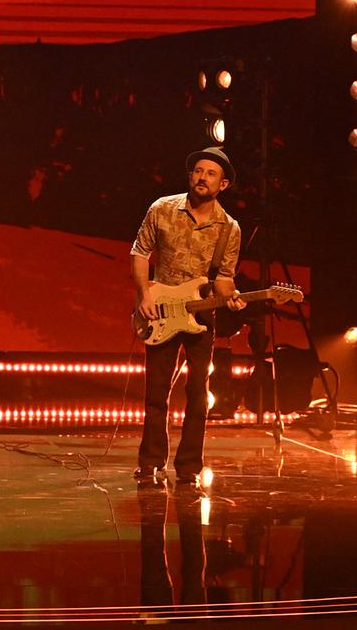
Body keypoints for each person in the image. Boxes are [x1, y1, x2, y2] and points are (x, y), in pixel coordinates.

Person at [131, 146, 245, 485]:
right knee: (156, 393)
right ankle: (151, 462)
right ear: (190, 175)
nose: (202, 177)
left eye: (211, 174)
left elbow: (223, 279)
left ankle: (189, 468)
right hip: (161, 312)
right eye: (198, 171)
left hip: (200, 316)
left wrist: (232, 298)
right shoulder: (162, 208)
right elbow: (140, 252)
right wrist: (144, 293)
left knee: (198, 394)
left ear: (222, 185)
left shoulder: (229, 228)